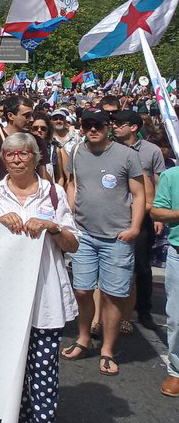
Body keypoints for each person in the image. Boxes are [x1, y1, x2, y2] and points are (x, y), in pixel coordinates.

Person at [0, 133, 79, 423]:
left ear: (35, 158)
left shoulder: (53, 193)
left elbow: (73, 244)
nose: (16, 160)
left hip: (45, 297)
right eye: (10, 154)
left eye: (23, 153)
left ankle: (42, 417)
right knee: (9, 370)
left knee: (43, 370)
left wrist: (53, 227)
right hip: (5, 299)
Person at [61, 109, 144, 376]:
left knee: (112, 296)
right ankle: (84, 339)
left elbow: (139, 194)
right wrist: (71, 205)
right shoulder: (76, 152)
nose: (93, 129)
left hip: (117, 237)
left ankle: (107, 349)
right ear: (82, 127)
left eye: (98, 124)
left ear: (108, 127)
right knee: (82, 291)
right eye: (88, 125)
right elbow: (71, 182)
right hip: (84, 235)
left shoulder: (127, 155)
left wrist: (134, 228)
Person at [111, 109, 166, 331]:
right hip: (115, 215)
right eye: (113, 123)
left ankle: (143, 311)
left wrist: (158, 213)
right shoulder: (109, 147)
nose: (114, 127)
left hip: (143, 215)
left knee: (142, 267)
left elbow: (159, 182)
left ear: (133, 127)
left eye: (120, 124)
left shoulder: (151, 151)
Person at [151, 165, 179, 396]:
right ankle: (176, 370)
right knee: (176, 318)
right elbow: (157, 212)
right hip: (178, 254)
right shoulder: (171, 176)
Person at [30, 111, 68, 186]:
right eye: (35, 128)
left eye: (43, 128)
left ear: (48, 131)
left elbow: (60, 177)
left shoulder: (55, 149)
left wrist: (57, 190)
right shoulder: (23, 148)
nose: (39, 131)